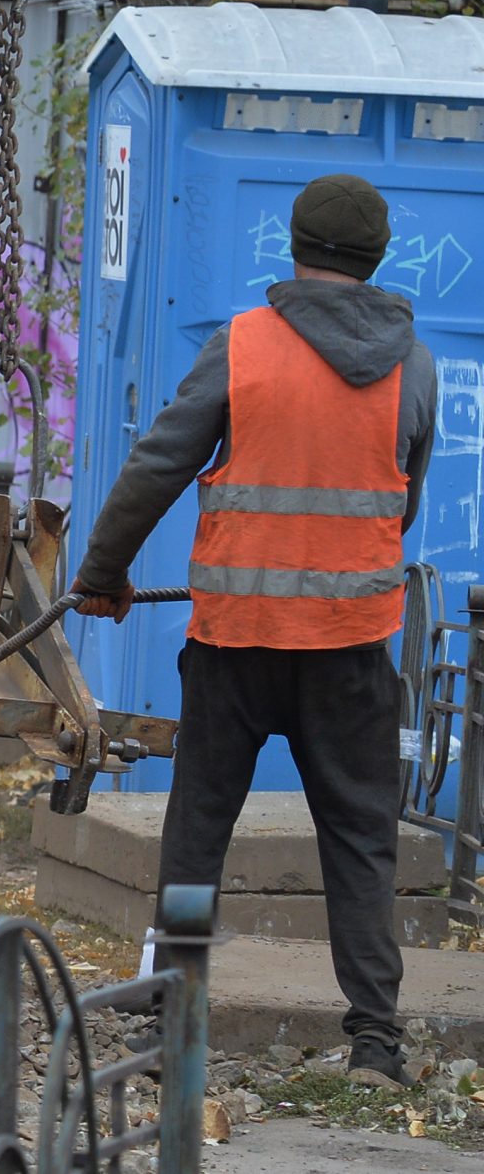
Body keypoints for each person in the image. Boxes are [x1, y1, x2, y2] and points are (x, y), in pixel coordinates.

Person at [70, 173, 436, 1091]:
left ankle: (168, 1028)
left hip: (236, 641)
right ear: (378, 256)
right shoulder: (416, 366)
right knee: (360, 839)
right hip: (353, 645)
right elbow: (404, 502)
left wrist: (101, 574)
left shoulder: (241, 347)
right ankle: (375, 1048)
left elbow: (159, 462)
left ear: (294, 244)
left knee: (198, 831)